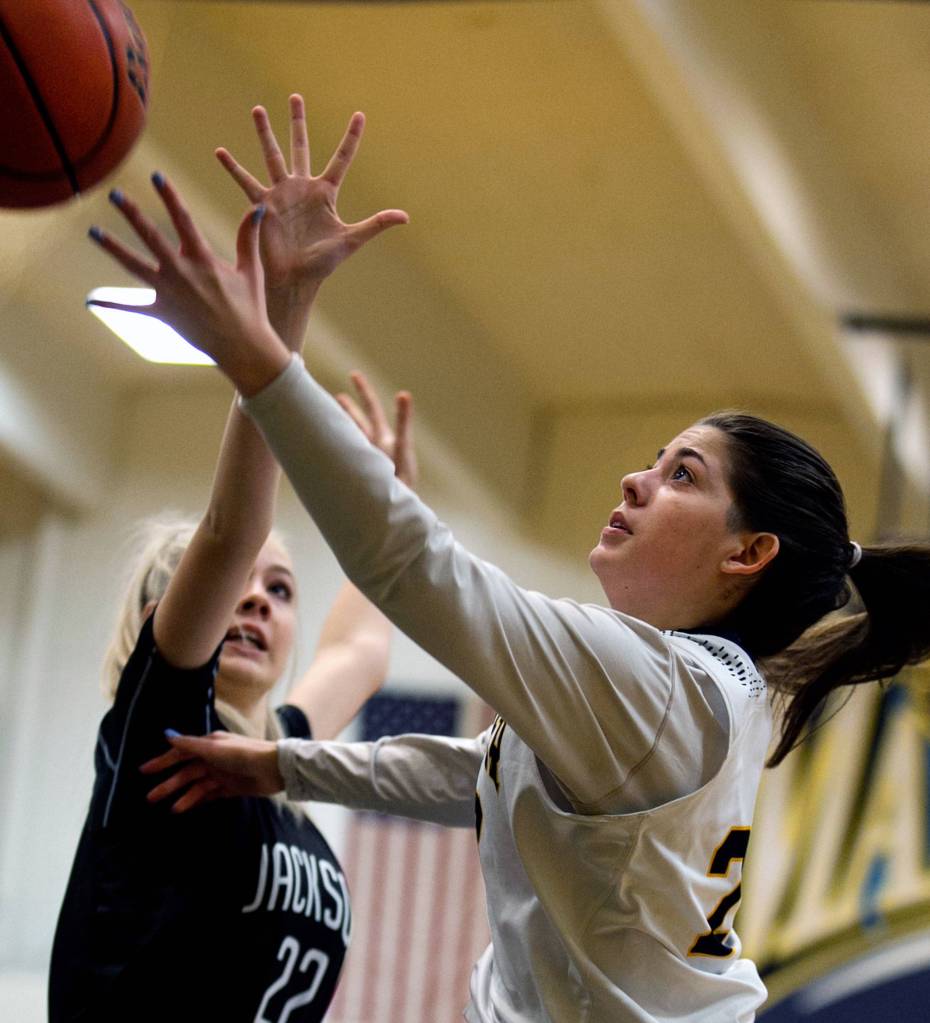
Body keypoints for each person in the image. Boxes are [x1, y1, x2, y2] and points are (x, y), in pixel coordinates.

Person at [86, 102, 930, 1022]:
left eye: (681, 473)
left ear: (749, 552)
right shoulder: (673, 694)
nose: (636, 479)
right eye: (652, 459)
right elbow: (479, 772)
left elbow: (421, 573)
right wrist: (285, 766)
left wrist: (259, 354)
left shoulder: (659, 685)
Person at [49, 98, 412, 1023]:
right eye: (237, 591)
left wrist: (387, 496)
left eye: (282, 591)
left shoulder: (276, 745)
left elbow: (364, 648)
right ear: (159, 624)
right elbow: (231, 531)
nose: (257, 600)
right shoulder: (161, 736)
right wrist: (280, 314)